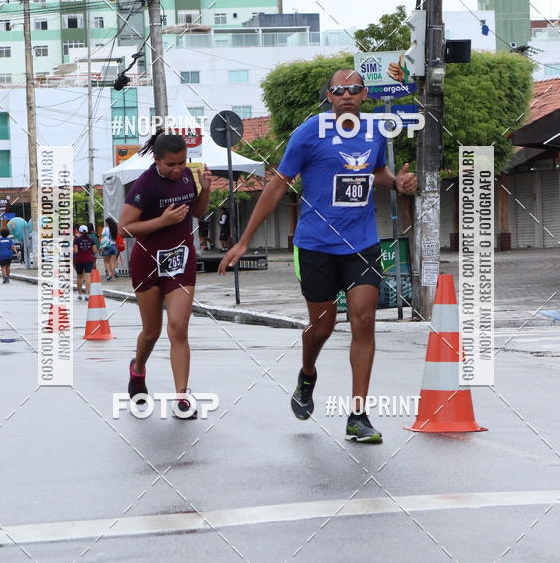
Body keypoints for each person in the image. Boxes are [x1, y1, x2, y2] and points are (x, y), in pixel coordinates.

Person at [219, 69, 418, 443]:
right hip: (315, 245)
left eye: (354, 89)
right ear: (329, 95)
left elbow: (378, 173)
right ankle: (307, 373)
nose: (346, 95)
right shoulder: (310, 132)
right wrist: (244, 240)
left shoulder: (375, 130)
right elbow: (278, 184)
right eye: (339, 90)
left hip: (362, 243)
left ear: (364, 95)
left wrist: (398, 183)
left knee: (363, 321)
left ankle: (358, 416)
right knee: (322, 328)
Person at [118, 131, 212, 417]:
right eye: (171, 164)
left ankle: (182, 396)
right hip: (147, 262)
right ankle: (138, 368)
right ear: (157, 160)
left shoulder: (187, 177)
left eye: (182, 162)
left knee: (178, 328)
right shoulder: (145, 184)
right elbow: (124, 227)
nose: (177, 169)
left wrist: (205, 189)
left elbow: (196, 211)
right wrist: (162, 221)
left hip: (179, 261)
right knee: (152, 331)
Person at [73, 225, 97, 299]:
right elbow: (95, 251)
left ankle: (80, 294)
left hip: (79, 260)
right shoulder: (91, 240)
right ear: (87, 231)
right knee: (88, 277)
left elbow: (76, 251)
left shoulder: (76, 240)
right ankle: (87, 294)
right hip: (88, 260)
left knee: (79, 277)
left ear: (80, 232)